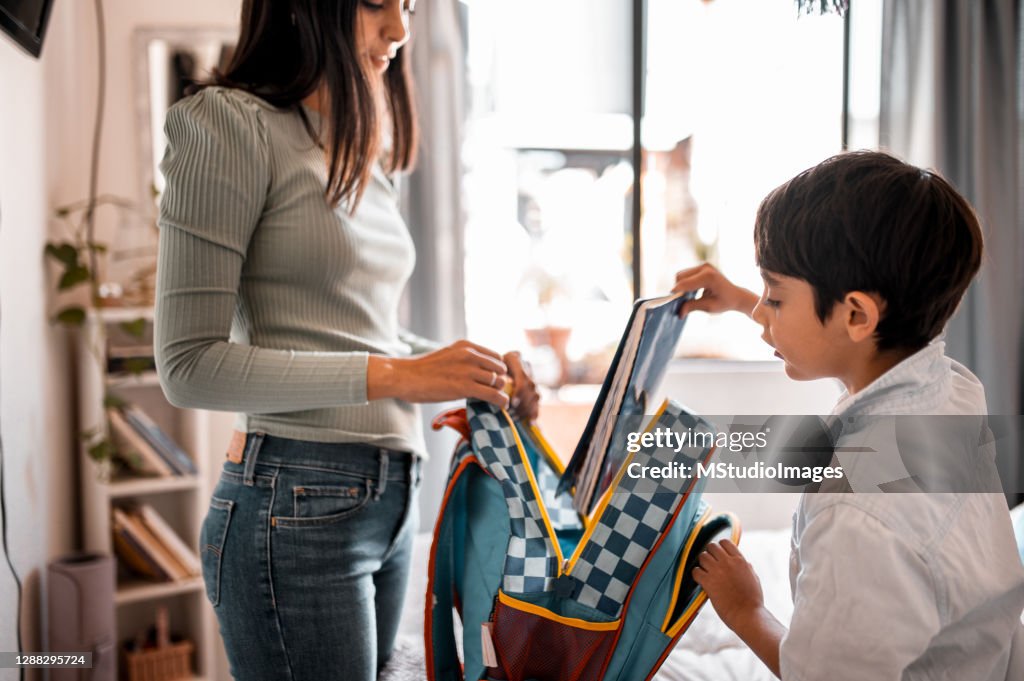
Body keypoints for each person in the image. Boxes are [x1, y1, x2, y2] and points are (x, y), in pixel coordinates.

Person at [153, 1, 539, 679]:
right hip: (294, 499)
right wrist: (401, 375)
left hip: (386, 497)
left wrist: (474, 372)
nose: (401, 30)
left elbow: (366, 331)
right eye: (375, 2)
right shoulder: (228, 124)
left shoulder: (357, 147)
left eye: (409, 5)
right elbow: (188, 366)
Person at [672, 151, 1024, 680]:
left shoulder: (857, 516)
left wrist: (746, 610)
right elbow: (839, 342)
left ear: (857, 314)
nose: (764, 311)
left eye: (775, 297)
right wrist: (747, 301)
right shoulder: (947, 387)